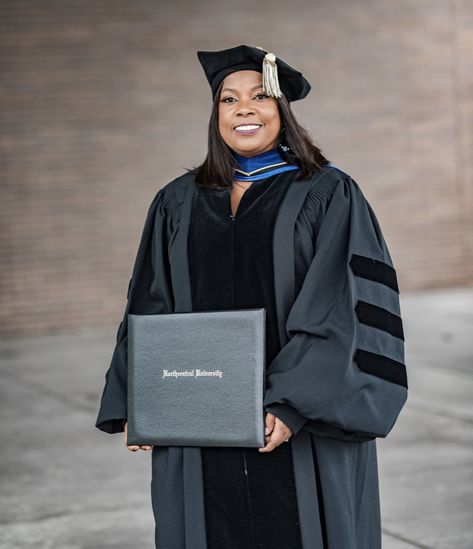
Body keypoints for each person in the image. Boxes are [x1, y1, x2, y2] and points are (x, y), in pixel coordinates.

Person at [95, 44, 408, 549]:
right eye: (228, 99)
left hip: (295, 423)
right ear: (216, 114)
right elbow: (150, 301)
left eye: (260, 97)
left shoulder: (327, 193)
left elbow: (343, 305)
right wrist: (145, 395)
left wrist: (290, 404)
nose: (244, 108)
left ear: (282, 111)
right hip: (200, 416)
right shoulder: (178, 200)